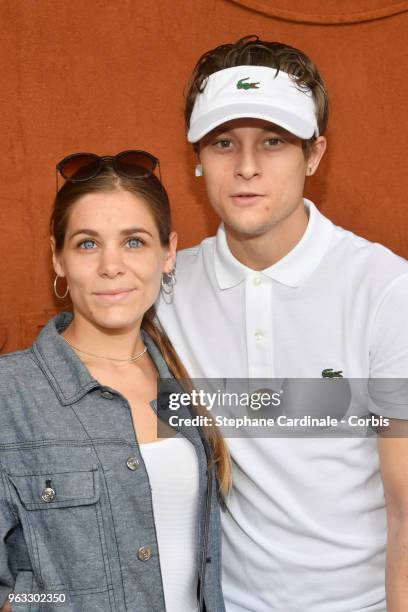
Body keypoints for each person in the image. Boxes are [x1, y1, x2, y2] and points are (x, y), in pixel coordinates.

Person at [156, 36, 408, 611]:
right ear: (195, 153)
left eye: (273, 141)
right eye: (224, 142)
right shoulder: (162, 289)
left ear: (314, 155)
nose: (246, 167)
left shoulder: (387, 291)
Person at [0, 150, 230, 612]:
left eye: (134, 242)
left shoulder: (182, 379)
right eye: (87, 243)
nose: (111, 265)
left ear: (168, 253)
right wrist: (52, 602)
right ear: (58, 259)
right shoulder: (11, 393)